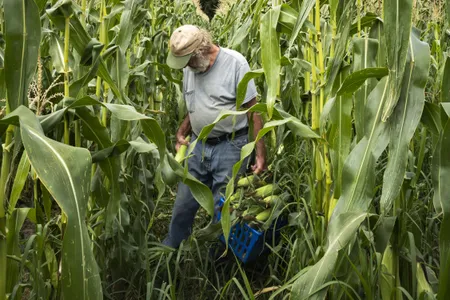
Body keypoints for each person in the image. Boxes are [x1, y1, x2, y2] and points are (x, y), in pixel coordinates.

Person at [162, 24, 267, 248]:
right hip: (198, 146)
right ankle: (171, 253)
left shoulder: (235, 63)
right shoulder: (191, 68)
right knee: (183, 204)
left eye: (188, 60)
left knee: (225, 209)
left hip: (230, 146)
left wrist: (259, 152)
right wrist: (184, 129)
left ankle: (220, 261)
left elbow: (253, 110)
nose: (186, 66)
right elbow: (197, 103)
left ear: (200, 50)